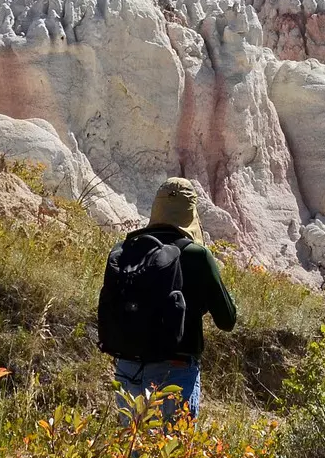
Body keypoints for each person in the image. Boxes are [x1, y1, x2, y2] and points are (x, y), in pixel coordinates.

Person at [97, 177, 237, 423]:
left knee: (131, 452)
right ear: (190, 212)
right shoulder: (197, 255)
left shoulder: (126, 249)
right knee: (170, 455)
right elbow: (227, 320)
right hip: (175, 370)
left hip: (127, 367)